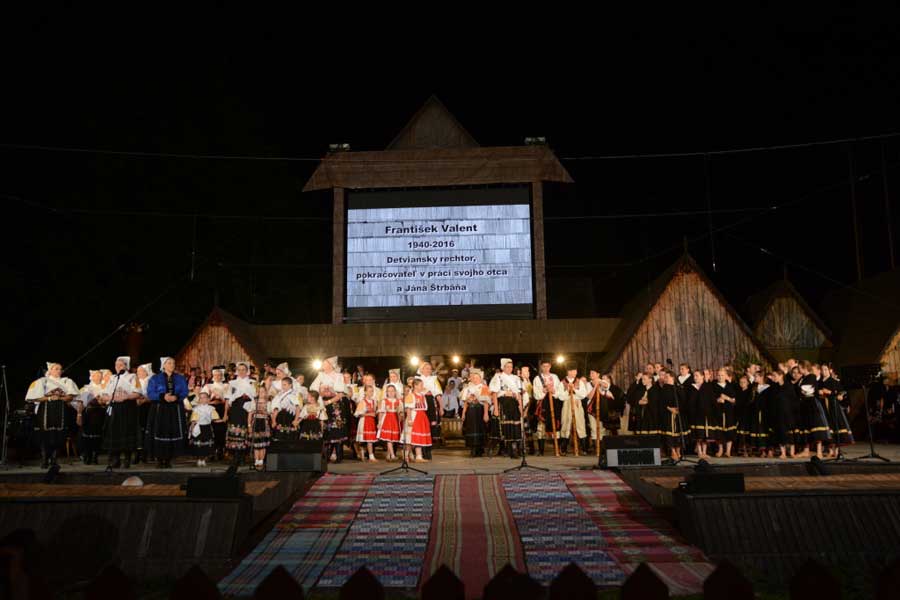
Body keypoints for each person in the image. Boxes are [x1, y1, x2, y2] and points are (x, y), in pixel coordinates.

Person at [26, 362, 79, 468]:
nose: (59, 371)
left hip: (61, 409)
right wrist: (49, 398)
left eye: (60, 369)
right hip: (46, 409)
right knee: (45, 434)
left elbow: (71, 396)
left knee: (59, 434)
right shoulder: (42, 381)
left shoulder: (67, 381)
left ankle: (54, 459)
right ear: (50, 370)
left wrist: (60, 398)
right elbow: (34, 397)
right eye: (56, 369)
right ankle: (45, 459)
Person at [146, 357, 189, 469]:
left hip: (175, 409)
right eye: (169, 363)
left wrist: (176, 397)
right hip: (160, 409)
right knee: (160, 431)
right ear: (164, 365)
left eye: (173, 363)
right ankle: (160, 459)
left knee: (172, 432)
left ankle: (169, 459)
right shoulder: (155, 378)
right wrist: (162, 396)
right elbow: (150, 393)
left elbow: (185, 391)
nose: (172, 365)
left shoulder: (180, 378)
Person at [102, 356, 141, 470]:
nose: (118, 367)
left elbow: (138, 393)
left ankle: (127, 459)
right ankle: (115, 459)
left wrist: (126, 397)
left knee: (126, 431)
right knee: (114, 431)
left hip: (127, 407)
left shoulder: (132, 377)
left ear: (126, 366)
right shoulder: (112, 378)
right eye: (116, 365)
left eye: (120, 365)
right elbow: (104, 394)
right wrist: (111, 397)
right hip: (114, 407)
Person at [311, 357, 348, 462]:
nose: (323, 365)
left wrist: (329, 399)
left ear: (331, 365)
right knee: (325, 428)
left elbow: (340, 394)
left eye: (325, 363)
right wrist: (322, 392)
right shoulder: (320, 375)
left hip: (334, 404)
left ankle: (338, 455)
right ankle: (326, 455)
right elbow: (314, 389)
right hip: (323, 403)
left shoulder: (338, 376)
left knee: (336, 427)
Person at [817, 363, 854, 455]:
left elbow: (841, 393)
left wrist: (830, 392)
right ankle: (830, 450)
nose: (824, 371)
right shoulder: (819, 382)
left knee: (835, 427)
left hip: (833, 407)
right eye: (822, 370)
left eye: (826, 369)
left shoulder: (833, 381)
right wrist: (819, 392)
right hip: (823, 407)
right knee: (828, 428)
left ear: (829, 370)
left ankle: (836, 450)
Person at [225, 362, 255, 466]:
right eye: (240, 369)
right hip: (235, 409)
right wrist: (225, 413)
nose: (241, 371)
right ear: (237, 371)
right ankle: (235, 456)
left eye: (243, 369)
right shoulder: (232, 383)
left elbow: (255, 396)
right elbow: (228, 398)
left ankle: (243, 456)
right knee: (235, 431)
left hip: (247, 409)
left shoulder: (252, 382)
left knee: (245, 430)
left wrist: (248, 396)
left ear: (247, 371)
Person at [798, 361, 830, 459]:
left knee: (816, 427)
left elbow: (809, 390)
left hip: (812, 405)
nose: (798, 370)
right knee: (806, 428)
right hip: (805, 405)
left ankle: (819, 452)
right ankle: (806, 450)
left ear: (804, 368)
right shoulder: (803, 378)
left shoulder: (811, 376)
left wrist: (803, 391)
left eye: (799, 368)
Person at [532, 360, 563, 456]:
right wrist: (544, 390)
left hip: (553, 402)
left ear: (550, 366)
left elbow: (559, 389)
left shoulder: (555, 377)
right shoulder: (537, 378)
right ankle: (541, 451)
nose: (546, 368)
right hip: (543, 403)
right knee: (541, 425)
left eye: (547, 366)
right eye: (544, 366)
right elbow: (536, 393)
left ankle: (557, 448)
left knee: (555, 424)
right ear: (541, 367)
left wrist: (553, 390)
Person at [77, 370, 106, 465]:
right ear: (91, 377)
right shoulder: (86, 388)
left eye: (99, 375)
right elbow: (80, 402)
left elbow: (106, 400)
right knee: (87, 436)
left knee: (98, 436)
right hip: (88, 414)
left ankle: (95, 456)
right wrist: (79, 414)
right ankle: (87, 455)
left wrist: (101, 401)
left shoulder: (105, 388)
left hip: (100, 414)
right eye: (96, 375)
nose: (98, 377)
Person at [461, 369, 491, 457]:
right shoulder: (468, 388)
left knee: (480, 428)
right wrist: (463, 413)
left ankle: (479, 449)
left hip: (479, 410)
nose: (475, 379)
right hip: (470, 411)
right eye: (474, 378)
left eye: (477, 378)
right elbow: (465, 403)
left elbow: (486, 402)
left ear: (480, 379)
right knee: (471, 429)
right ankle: (473, 449)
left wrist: (486, 414)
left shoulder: (484, 387)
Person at [559, 364, 587, 455]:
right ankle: (563, 448)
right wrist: (568, 390)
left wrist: (574, 390)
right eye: (573, 371)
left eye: (575, 371)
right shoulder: (562, 382)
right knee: (566, 424)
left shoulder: (579, 382)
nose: (575, 373)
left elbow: (583, 394)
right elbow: (560, 397)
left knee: (580, 424)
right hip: (567, 403)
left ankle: (584, 448)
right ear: (568, 372)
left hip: (577, 403)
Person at [202, 366, 229, 461]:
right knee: (210, 431)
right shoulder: (208, 386)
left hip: (221, 409)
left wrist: (226, 414)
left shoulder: (226, 386)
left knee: (221, 431)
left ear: (222, 376)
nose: (217, 377)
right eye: (216, 375)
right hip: (211, 409)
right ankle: (211, 452)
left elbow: (227, 401)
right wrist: (212, 398)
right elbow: (203, 399)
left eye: (219, 375)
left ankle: (220, 451)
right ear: (213, 376)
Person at [769, 369, 797, 459]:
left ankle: (792, 452)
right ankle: (783, 453)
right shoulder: (774, 387)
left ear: (781, 376)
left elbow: (793, 400)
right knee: (780, 432)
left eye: (775, 376)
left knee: (790, 433)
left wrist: (792, 411)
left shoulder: (788, 386)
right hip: (778, 414)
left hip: (788, 413)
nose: (773, 378)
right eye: (773, 376)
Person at [417, 361, 443, 458]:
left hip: (430, 402)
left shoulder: (434, 379)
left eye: (430, 369)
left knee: (431, 426)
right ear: (422, 369)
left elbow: (438, 394)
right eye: (426, 368)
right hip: (420, 403)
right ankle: (420, 450)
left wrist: (441, 407)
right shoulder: (417, 379)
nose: (428, 370)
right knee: (421, 426)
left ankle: (428, 450)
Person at [404, 377, 432, 462]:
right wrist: (409, 419)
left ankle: (418, 456)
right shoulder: (411, 395)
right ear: (415, 386)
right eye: (421, 385)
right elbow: (408, 409)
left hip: (421, 416)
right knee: (410, 438)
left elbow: (425, 407)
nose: (422, 387)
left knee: (419, 437)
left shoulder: (422, 395)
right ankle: (406, 455)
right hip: (414, 416)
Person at [189, 391, 220, 467]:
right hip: (199, 428)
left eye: (204, 398)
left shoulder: (211, 408)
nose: (202, 399)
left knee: (206, 444)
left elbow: (215, 419)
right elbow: (194, 420)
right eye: (201, 398)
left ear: (208, 399)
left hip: (207, 427)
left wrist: (223, 420)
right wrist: (191, 429)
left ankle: (204, 459)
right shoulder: (196, 409)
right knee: (199, 444)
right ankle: (199, 459)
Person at [712, 368, 737, 458]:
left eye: (722, 375)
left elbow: (734, 400)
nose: (720, 377)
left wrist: (727, 398)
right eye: (718, 375)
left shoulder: (730, 386)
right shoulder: (713, 386)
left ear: (726, 376)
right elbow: (710, 399)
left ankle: (728, 451)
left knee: (729, 431)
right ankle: (720, 449)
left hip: (729, 412)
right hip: (718, 411)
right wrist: (717, 400)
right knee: (719, 432)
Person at [377, 383, 403, 461]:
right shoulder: (384, 401)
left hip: (395, 419)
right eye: (389, 391)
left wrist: (400, 412)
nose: (391, 393)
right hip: (387, 419)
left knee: (392, 438)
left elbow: (401, 413)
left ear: (395, 392)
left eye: (392, 391)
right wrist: (379, 422)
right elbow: (381, 412)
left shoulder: (399, 401)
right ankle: (392, 455)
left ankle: (388, 455)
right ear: (387, 392)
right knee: (389, 438)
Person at [248, 387, 271, 470]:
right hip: (255, 423)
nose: (261, 393)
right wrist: (249, 425)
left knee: (263, 444)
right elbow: (250, 414)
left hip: (264, 423)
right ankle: (256, 461)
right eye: (259, 391)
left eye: (263, 391)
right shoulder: (254, 402)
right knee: (256, 444)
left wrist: (264, 412)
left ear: (265, 392)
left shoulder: (268, 402)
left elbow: (270, 413)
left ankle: (261, 461)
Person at [271, 377, 301, 442]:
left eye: (285, 385)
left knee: (288, 437)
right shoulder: (280, 394)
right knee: (279, 437)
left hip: (288, 417)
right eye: (282, 385)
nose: (283, 386)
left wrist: (296, 420)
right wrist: (273, 420)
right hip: (280, 417)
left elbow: (298, 408)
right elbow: (276, 408)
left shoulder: (293, 394)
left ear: (290, 385)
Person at [354, 384, 379, 461]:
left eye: (372, 391)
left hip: (371, 422)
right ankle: (367, 455)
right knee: (365, 439)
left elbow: (375, 412)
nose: (370, 393)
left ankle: (368, 455)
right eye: (369, 391)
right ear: (365, 392)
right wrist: (369, 414)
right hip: (364, 421)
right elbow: (357, 414)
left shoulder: (374, 401)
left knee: (370, 439)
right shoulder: (362, 401)